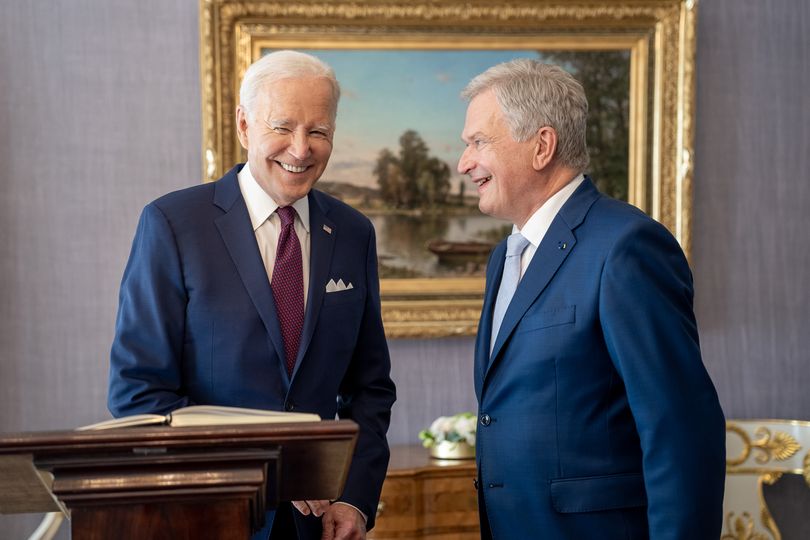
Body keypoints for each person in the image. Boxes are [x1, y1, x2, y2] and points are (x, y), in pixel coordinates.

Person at [108, 50, 396, 540]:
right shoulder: (173, 225)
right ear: (244, 125)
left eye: (319, 131)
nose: (301, 149)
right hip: (208, 519)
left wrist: (355, 497)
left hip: (317, 527)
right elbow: (138, 393)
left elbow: (369, 388)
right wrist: (273, 470)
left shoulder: (352, 232)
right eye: (282, 127)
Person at [457, 59, 725, 539]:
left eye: (479, 142)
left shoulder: (627, 247)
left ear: (541, 146)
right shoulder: (504, 256)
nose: (464, 163)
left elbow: (681, 430)